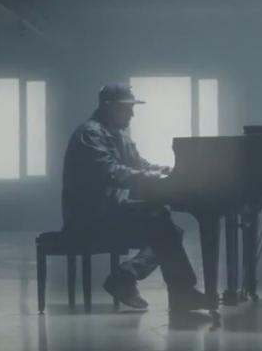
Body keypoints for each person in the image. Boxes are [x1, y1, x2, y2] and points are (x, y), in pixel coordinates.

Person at [61, 83, 216, 312]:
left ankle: (130, 277)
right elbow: (111, 172)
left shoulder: (120, 135)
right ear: (108, 106)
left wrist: (167, 171)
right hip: (89, 216)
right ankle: (175, 292)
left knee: (168, 230)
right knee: (162, 222)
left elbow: (140, 165)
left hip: (110, 211)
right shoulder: (90, 134)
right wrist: (154, 176)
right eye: (127, 108)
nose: (132, 114)